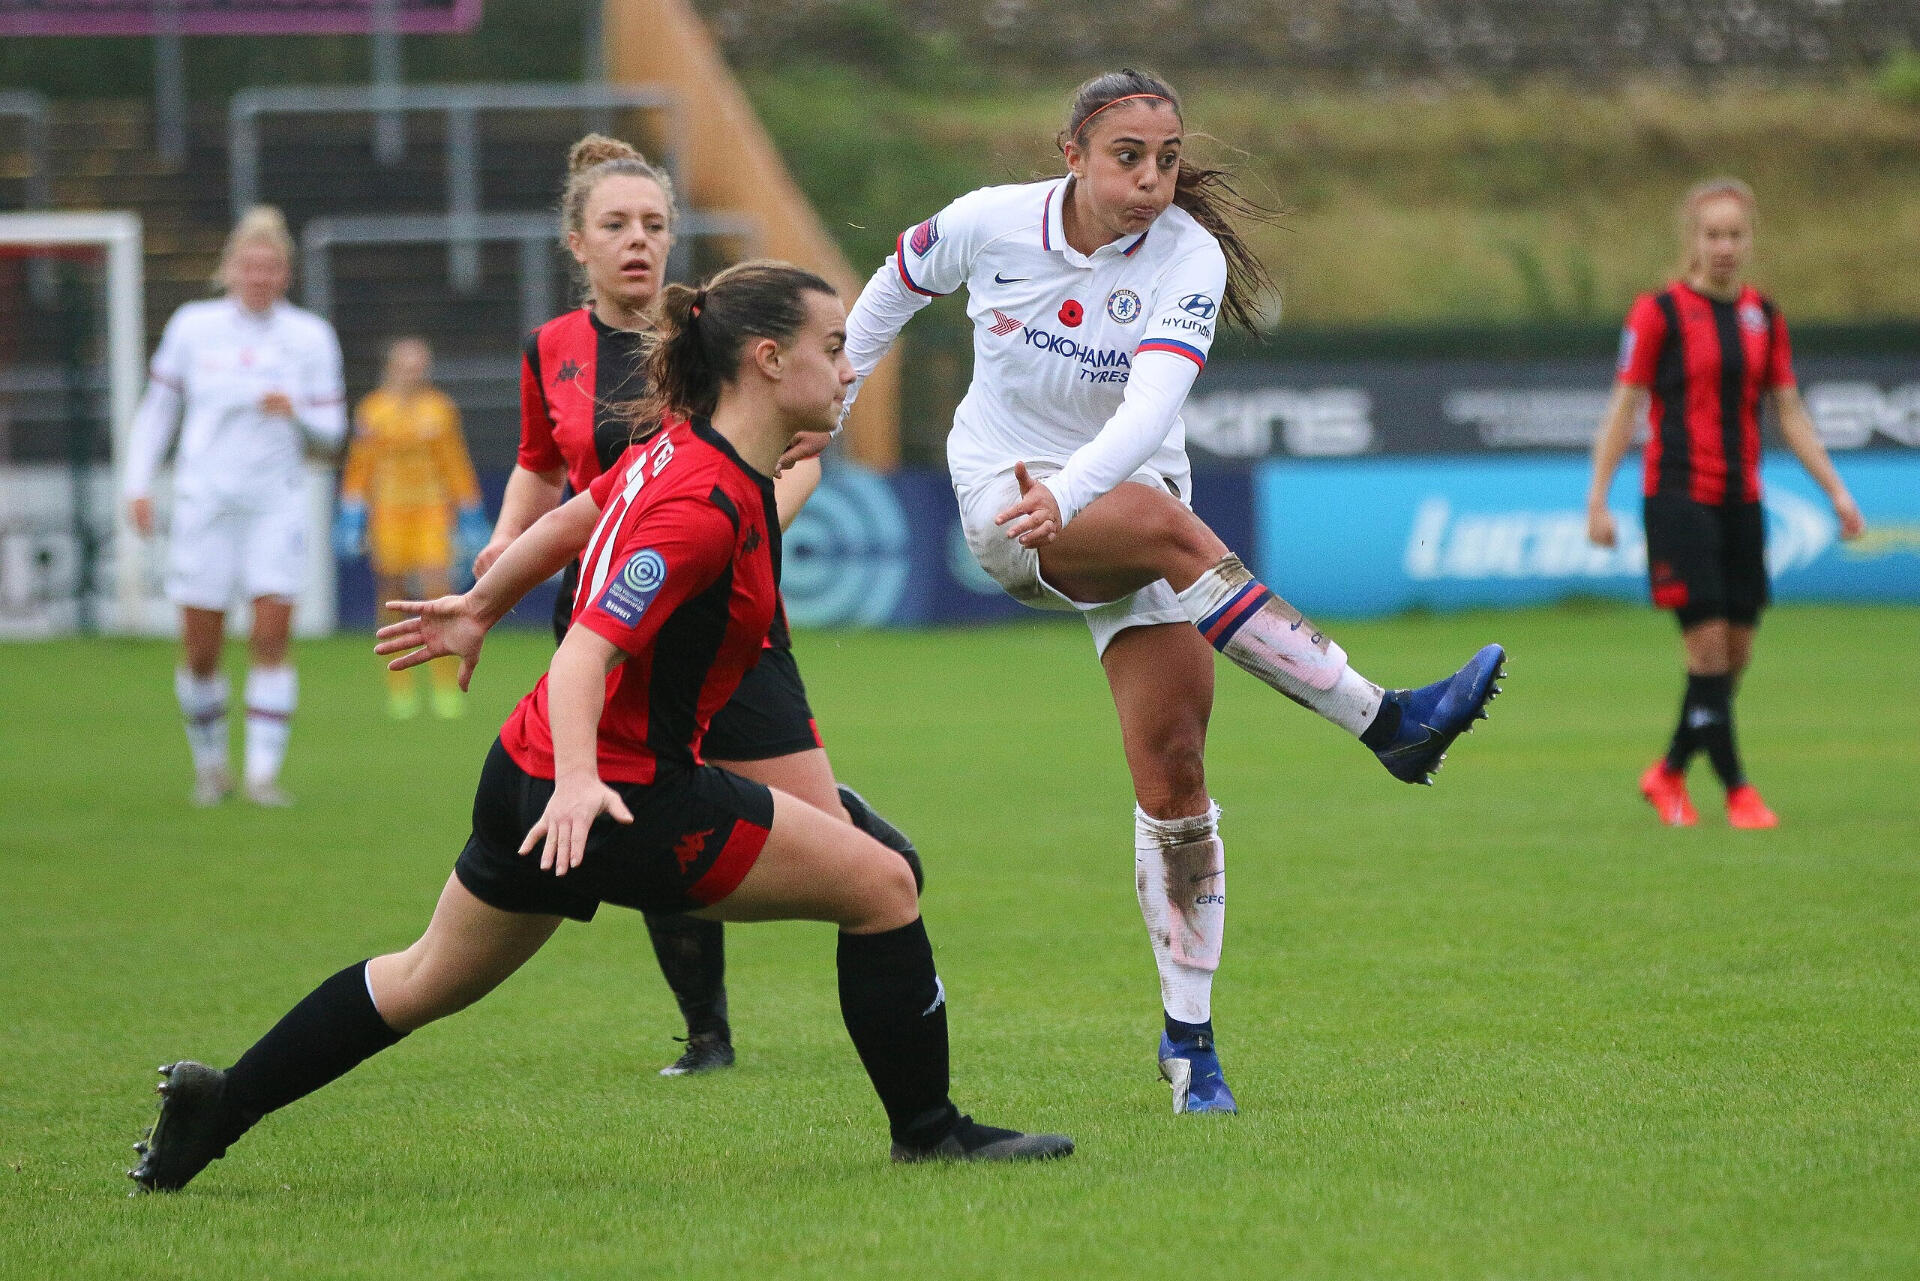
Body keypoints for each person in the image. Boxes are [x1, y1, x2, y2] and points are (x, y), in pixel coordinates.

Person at [127, 262, 1072, 1194]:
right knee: (883, 883)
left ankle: (222, 1104)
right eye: (832, 348)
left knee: (423, 978)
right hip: (620, 793)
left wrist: (481, 605)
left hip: (524, 768)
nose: (849, 367)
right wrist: (583, 781)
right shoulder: (701, 506)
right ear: (768, 360)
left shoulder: (680, 449)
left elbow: (578, 513)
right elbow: (585, 653)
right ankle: (931, 1134)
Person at [830, 69, 1505, 1115]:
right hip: (1010, 501)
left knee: (1177, 775)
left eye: (1168, 159)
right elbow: (893, 284)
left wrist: (1076, 493)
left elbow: (1149, 413)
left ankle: (1191, 1046)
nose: (1151, 180)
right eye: (1127, 157)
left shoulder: (1186, 255)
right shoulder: (990, 222)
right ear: (1071, 156)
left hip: (1115, 508)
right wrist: (831, 408)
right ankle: (1387, 723)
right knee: (1170, 528)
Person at [473, 134, 919, 1077]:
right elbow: (545, 468)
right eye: (615, 224)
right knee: (649, 801)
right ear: (577, 242)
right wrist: (505, 547)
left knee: (858, 858)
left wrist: (738, 540)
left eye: (653, 223)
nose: (637, 240)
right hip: (613, 614)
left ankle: (857, 905)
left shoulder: (730, 342)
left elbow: (792, 462)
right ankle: (706, 1032)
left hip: (724, 616)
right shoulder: (552, 350)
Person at [1585, 178, 1864, 830]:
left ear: (1749, 240)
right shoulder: (1658, 313)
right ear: (1693, 239)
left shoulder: (1763, 316)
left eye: (1735, 235)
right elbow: (1624, 406)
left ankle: (1668, 772)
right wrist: (1597, 498)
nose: (1724, 246)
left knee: (1734, 657)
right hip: (1678, 498)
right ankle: (1739, 790)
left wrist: (1835, 490)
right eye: (1713, 234)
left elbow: (1788, 410)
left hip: (1743, 500)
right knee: (1707, 651)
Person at [123, 205, 347, 808]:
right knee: (202, 649)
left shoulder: (309, 336)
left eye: (271, 267)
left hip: (275, 506)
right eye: (250, 265)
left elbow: (332, 432)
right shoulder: (193, 326)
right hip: (204, 503)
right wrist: (137, 482)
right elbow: (159, 410)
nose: (260, 277)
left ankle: (262, 776)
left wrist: (296, 413)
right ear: (229, 269)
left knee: (271, 637)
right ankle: (211, 767)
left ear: (286, 274)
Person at [335, 336, 489, 720]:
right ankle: (399, 683)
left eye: (419, 366)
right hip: (388, 512)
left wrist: (470, 511)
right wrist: (351, 512)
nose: (414, 373)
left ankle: (443, 680)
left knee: (438, 589)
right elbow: (360, 465)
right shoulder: (373, 411)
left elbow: (454, 462)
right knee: (392, 592)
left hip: (431, 510)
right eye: (406, 366)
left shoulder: (439, 409)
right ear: (391, 367)